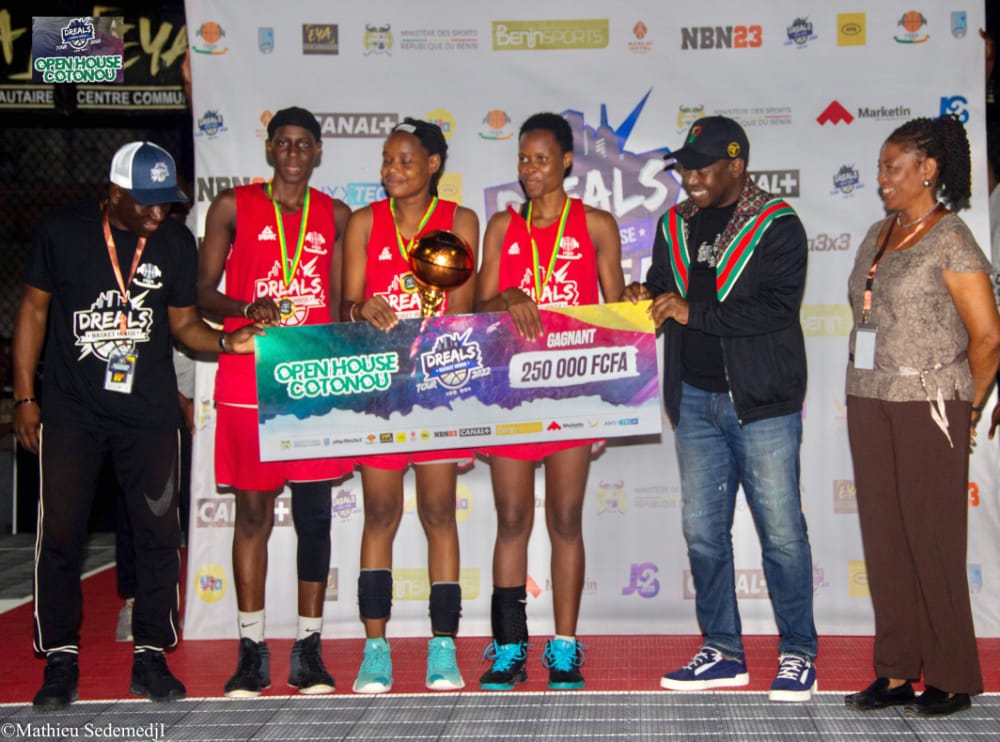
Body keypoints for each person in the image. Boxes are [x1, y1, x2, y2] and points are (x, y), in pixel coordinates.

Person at [13, 141, 260, 709]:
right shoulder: (63, 231)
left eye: (165, 202)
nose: (157, 213)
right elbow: (32, 310)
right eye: (146, 203)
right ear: (115, 192)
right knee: (61, 536)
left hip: (148, 414)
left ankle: (151, 655)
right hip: (72, 412)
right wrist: (25, 397)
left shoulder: (173, 241)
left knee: (156, 536)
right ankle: (60, 658)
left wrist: (228, 342)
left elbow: (183, 325)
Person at [623, 116, 817, 702]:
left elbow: (777, 309)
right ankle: (723, 651)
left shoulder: (777, 224)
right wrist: (643, 295)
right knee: (704, 534)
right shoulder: (674, 224)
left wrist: (692, 312)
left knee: (781, 534)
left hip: (762, 403)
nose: (690, 179)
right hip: (694, 398)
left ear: (737, 165)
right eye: (685, 168)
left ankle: (798, 653)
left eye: (702, 168)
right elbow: (663, 285)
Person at [843, 115, 1000, 717]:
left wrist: (967, 407)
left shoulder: (952, 238)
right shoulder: (879, 233)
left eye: (893, 167)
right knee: (885, 541)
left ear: (928, 169)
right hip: (869, 397)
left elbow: (988, 337)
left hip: (930, 405)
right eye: (881, 167)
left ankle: (953, 676)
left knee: (933, 541)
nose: (882, 178)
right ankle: (895, 671)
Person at [198, 106, 353, 698]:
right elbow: (200, 292)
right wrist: (244, 308)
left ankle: (308, 650)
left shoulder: (335, 215)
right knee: (254, 516)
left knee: (314, 517)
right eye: (283, 143)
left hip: (313, 379)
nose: (292, 153)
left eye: (303, 144)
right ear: (269, 149)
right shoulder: (232, 206)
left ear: (318, 152)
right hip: (250, 377)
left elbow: (340, 305)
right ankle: (251, 650)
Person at [475, 112, 624, 691]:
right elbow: (478, 306)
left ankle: (564, 646)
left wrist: (637, 303)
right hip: (510, 394)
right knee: (512, 518)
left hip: (573, 392)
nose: (530, 168)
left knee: (565, 518)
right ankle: (510, 646)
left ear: (565, 161)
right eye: (523, 158)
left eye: (541, 158)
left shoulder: (597, 224)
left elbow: (618, 312)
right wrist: (506, 296)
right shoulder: (500, 226)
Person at [340, 118, 479, 694]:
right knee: (380, 514)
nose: (392, 170)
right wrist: (362, 309)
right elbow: (345, 306)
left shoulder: (460, 221)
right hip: (379, 390)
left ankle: (442, 646)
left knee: (439, 513)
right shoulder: (364, 221)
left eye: (405, 160)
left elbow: (464, 311)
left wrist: (425, 326)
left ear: (433, 165)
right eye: (387, 160)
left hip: (437, 387)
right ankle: (375, 650)